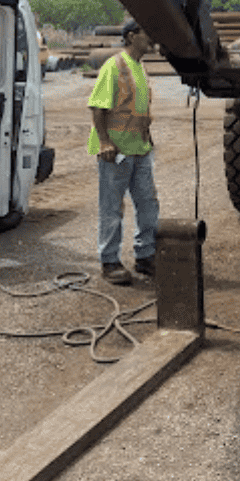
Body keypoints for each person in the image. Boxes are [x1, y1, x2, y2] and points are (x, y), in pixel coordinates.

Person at [88, 19, 158, 285]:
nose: (152, 38)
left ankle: (146, 255)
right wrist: (105, 141)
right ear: (131, 37)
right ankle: (109, 261)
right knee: (112, 208)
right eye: (146, 32)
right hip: (115, 151)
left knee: (148, 206)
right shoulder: (114, 66)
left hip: (139, 149)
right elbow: (97, 106)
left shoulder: (140, 67)